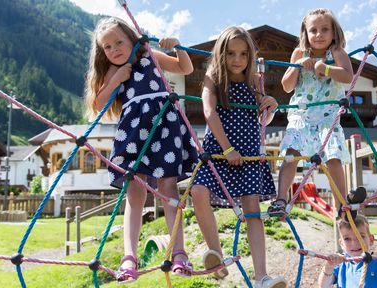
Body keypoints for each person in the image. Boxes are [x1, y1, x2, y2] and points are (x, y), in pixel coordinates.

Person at [84, 17, 198, 283]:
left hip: (164, 125)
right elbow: (98, 104)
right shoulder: (115, 71)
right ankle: (129, 258)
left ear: (132, 39)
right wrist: (115, 81)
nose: (114, 50)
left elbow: (185, 68)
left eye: (118, 42)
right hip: (135, 132)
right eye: (107, 47)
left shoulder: (149, 54)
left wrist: (178, 47)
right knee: (135, 192)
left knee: (168, 189)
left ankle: (179, 253)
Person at [190, 26, 287, 288]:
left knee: (252, 211)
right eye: (231, 53)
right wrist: (227, 149)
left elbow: (262, 119)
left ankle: (261, 276)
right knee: (198, 192)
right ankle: (216, 256)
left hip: (248, 156)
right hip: (218, 152)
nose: (237, 60)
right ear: (221, 54)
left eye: (243, 54)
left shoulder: (253, 80)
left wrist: (271, 106)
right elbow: (209, 111)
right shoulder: (214, 78)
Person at [271, 8, 354, 217]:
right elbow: (286, 86)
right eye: (313, 30)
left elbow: (348, 76)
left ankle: (341, 205)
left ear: (334, 33)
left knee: (333, 157)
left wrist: (325, 68)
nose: (318, 34)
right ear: (305, 33)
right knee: (291, 153)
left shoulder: (336, 53)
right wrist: (298, 66)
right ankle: (281, 199)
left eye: (325, 29)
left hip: (327, 117)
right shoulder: (300, 53)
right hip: (302, 116)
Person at [318, 215, 377, 288]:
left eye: (361, 237)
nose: (354, 243)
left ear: (371, 240)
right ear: (341, 243)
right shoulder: (341, 264)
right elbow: (323, 285)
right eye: (347, 238)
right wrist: (329, 266)